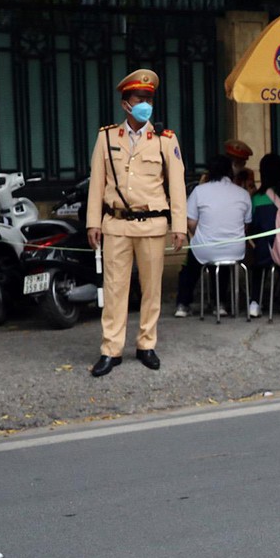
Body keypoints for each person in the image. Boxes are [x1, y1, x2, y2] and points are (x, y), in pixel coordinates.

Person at [86, 69, 186, 376]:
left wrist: (179, 226)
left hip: (153, 225)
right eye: (139, 98)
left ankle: (146, 344)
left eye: (149, 99)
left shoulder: (164, 140)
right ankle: (111, 349)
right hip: (116, 223)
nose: (145, 104)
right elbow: (96, 182)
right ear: (125, 104)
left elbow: (177, 185)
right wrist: (93, 222)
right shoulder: (106, 137)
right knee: (115, 288)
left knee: (151, 289)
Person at [177, 154, 252, 316]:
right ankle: (220, 304)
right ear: (230, 171)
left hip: (205, 248)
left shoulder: (199, 191)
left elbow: (190, 223)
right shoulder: (243, 194)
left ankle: (183, 304)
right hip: (235, 250)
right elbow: (246, 225)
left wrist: (205, 234)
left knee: (190, 266)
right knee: (223, 263)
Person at [247, 152, 280, 315]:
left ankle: (255, 303)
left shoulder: (257, 198)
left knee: (258, 264)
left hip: (265, 251)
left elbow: (252, 226)